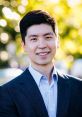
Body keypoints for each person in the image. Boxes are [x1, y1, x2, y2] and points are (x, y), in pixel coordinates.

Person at [0, 10, 82, 117]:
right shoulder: (6, 93)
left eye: (48, 37)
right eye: (34, 39)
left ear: (57, 42)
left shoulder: (78, 88)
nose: (42, 45)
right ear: (23, 45)